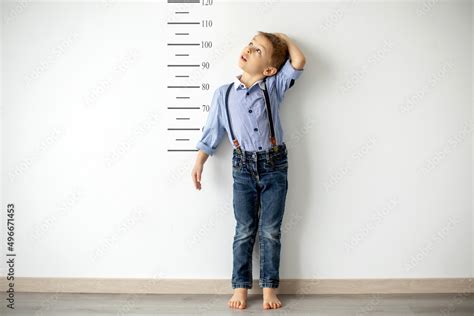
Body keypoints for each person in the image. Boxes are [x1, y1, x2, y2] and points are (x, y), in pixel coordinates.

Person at [191, 31, 306, 310]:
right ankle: (240, 287)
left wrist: (281, 38)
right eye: (250, 44)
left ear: (268, 69)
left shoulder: (274, 85)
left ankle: (269, 289)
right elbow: (212, 132)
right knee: (244, 230)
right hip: (242, 166)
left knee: (270, 230)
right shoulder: (223, 93)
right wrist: (200, 160)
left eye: (258, 50)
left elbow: (299, 60)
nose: (249, 49)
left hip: (274, 164)